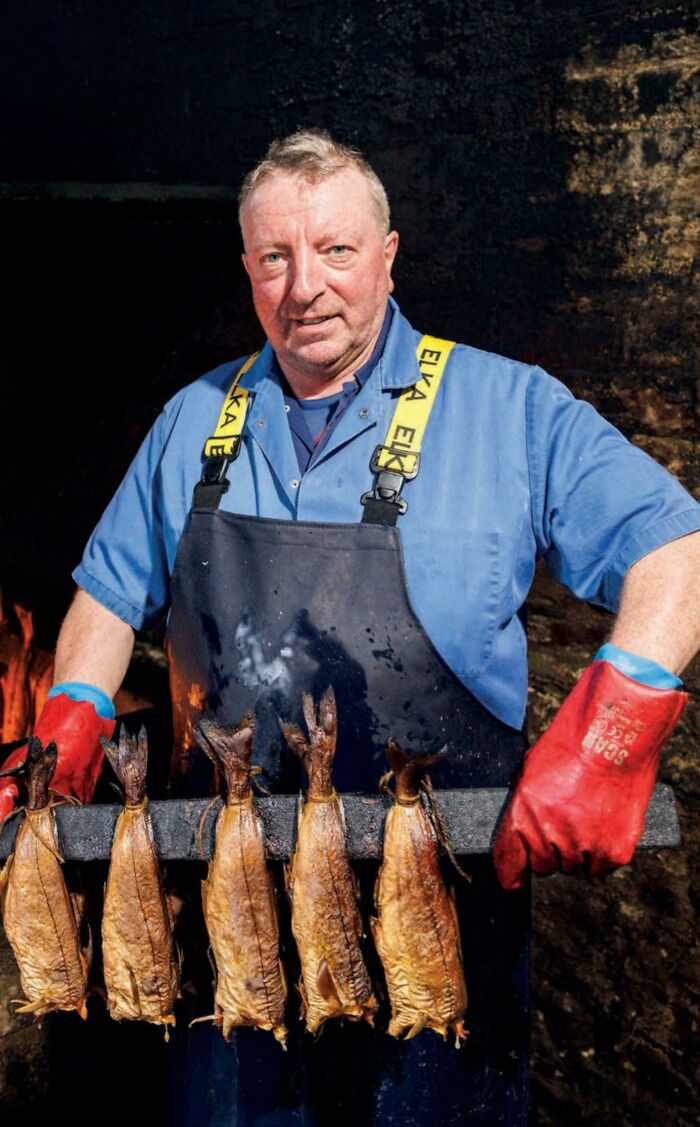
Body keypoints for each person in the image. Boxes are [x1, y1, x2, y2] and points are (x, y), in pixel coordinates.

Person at [2, 129, 699, 1124]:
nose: (304, 288)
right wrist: (72, 698)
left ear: (387, 253)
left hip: (438, 933)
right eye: (274, 257)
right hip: (233, 939)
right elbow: (112, 592)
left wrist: (613, 724)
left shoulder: (509, 407)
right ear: (247, 269)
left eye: (335, 250)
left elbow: (678, 544)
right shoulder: (191, 420)